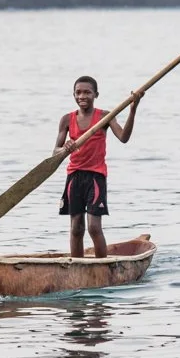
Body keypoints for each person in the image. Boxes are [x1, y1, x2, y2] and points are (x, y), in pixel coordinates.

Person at [53, 75, 144, 258]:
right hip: (74, 177)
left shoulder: (104, 117)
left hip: (95, 176)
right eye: (78, 92)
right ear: (74, 95)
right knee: (76, 228)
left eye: (87, 92)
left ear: (96, 94)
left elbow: (124, 138)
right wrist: (65, 148)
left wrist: (133, 110)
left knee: (94, 227)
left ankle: (102, 266)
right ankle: (77, 266)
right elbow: (55, 151)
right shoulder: (67, 119)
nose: (82, 96)